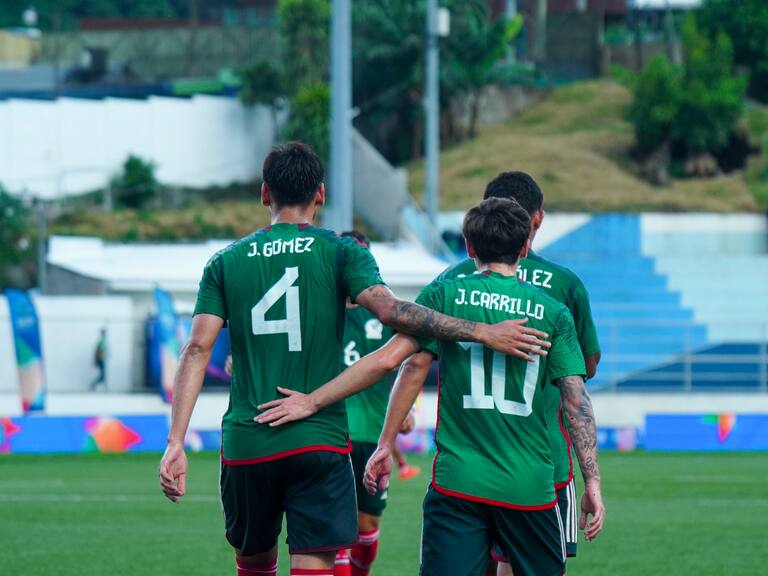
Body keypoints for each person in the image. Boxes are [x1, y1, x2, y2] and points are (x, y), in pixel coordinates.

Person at [158, 143, 551, 576]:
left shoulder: (225, 261)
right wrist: (480, 330)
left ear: (265, 194)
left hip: (249, 441)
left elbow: (196, 348)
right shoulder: (342, 252)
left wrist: (176, 441)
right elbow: (392, 313)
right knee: (317, 564)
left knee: (254, 564)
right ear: (321, 194)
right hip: (318, 438)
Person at [256, 197, 605, 576]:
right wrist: (593, 482)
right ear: (524, 248)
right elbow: (576, 398)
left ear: (470, 247)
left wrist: (369, 434)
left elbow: (399, 362)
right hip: (529, 488)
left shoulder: (446, 295)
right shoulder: (552, 312)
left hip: (458, 484)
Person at [436, 171, 602, 574]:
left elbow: (412, 357)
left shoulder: (450, 282)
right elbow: (585, 368)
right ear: (536, 222)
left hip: (465, 460)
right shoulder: (563, 286)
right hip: (540, 463)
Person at [333, 230, 420, 576]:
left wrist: (408, 407)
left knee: (367, 530)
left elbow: (408, 363)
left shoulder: (386, 314)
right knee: (336, 530)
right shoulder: (321, 311)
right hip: (332, 432)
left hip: (374, 433)